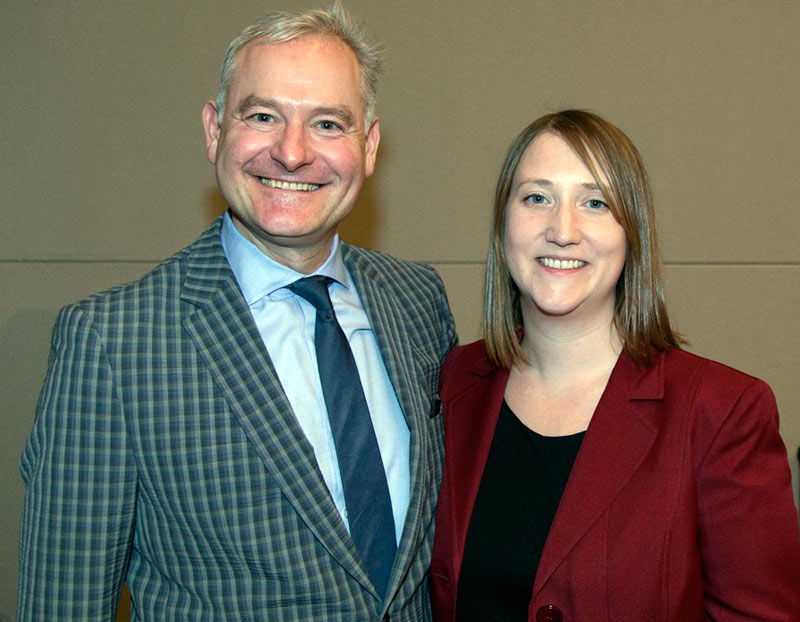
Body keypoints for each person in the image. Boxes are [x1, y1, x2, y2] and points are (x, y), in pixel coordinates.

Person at [17, 4, 456, 620]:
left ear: (370, 145)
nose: (293, 152)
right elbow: (63, 603)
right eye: (262, 116)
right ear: (214, 130)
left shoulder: (417, 302)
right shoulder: (114, 344)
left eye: (328, 123)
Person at [429, 109, 800, 621]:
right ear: (503, 223)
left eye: (595, 202)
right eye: (537, 198)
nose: (562, 230)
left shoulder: (723, 411)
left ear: (632, 234)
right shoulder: (452, 383)